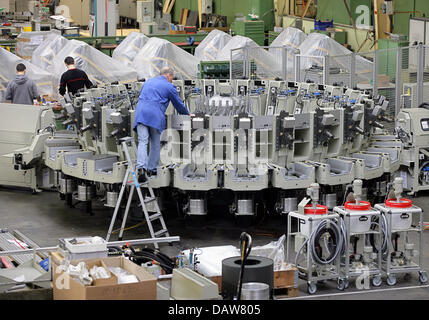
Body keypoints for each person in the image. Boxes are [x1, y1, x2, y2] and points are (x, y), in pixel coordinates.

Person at [133, 67, 190, 182]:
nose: (172, 81)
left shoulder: (148, 82)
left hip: (140, 113)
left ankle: (141, 169)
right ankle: (152, 169)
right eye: (172, 78)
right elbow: (178, 104)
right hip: (155, 116)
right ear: (169, 75)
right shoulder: (169, 86)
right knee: (155, 142)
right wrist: (188, 114)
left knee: (143, 141)